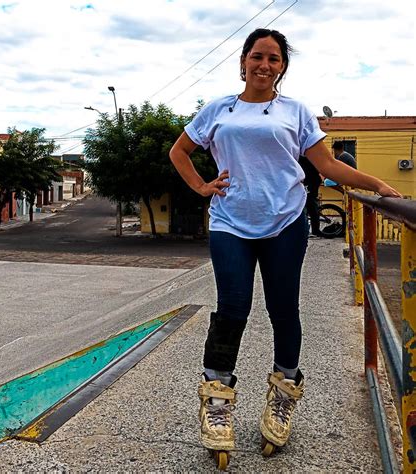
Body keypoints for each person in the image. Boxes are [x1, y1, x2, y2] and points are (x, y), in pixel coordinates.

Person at [169, 28, 401, 461]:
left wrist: (379, 186)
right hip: (229, 222)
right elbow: (179, 151)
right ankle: (217, 399)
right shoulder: (218, 109)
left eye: (274, 59)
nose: (264, 65)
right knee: (232, 307)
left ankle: (283, 396)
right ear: (243, 61)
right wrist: (202, 186)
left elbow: (327, 164)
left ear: (282, 68)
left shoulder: (296, 111)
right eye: (258, 56)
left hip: (285, 222)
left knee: (283, 308)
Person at [298, 155, 322, 237]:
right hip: (311, 182)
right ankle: (314, 230)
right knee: (310, 205)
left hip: (310, 183)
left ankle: (315, 230)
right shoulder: (308, 156)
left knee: (311, 205)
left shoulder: (303, 158)